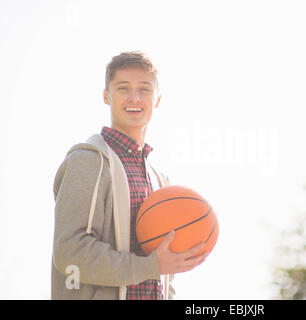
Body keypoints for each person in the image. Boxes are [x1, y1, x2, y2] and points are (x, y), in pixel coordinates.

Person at [51, 51, 207, 300]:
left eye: (144, 89)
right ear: (106, 96)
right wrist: (151, 267)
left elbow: (166, 275)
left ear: (157, 99)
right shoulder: (88, 161)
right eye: (123, 88)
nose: (134, 97)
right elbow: (70, 253)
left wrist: (166, 268)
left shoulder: (160, 180)